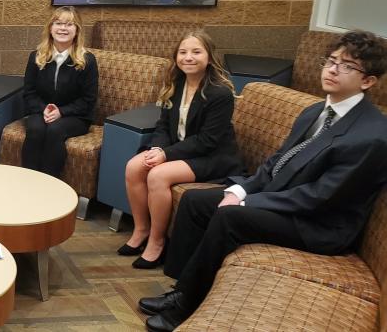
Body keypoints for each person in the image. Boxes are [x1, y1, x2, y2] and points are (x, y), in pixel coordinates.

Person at [138, 30, 387, 332]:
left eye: (348, 66)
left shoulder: (371, 135)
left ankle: (183, 309)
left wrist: (247, 201)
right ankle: (181, 291)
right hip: (284, 198)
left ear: (368, 81)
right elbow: (277, 161)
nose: (332, 69)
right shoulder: (315, 111)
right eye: (331, 60)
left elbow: (321, 196)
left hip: (318, 224)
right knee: (195, 202)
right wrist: (242, 187)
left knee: (230, 217)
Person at [120, 31, 242, 270]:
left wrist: (166, 155)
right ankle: (141, 229)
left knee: (157, 175)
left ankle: (157, 242)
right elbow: (163, 125)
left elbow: (208, 140)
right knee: (135, 166)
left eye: (196, 52)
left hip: (213, 157)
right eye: (183, 52)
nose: (189, 57)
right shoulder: (175, 84)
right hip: (181, 151)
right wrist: (157, 148)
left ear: (209, 56)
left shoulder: (220, 93)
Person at [20, 6, 97, 178]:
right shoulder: (36, 56)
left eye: (69, 24)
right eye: (58, 23)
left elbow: (88, 100)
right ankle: (26, 181)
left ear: (77, 31)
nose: (63, 28)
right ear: (50, 28)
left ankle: (51, 184)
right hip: (41, 111)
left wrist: (61, 112)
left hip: (75, 116)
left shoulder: (87, 61)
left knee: (55, 130)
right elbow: (29, 92)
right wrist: (44, 109)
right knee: (36, 130)